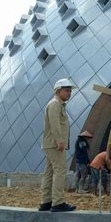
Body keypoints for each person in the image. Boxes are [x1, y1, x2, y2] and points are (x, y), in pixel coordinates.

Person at [39, 78, 77, 212]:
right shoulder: (55, 104)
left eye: (70, 91)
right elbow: (55, 125)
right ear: (58, 90)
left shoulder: (57, 104)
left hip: (50, 144)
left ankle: (46, 202)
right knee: (60, 171)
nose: (69, 93)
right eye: (67, 90)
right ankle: (58, 202)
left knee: (49, 173)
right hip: (55, 144)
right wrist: (60, 141)